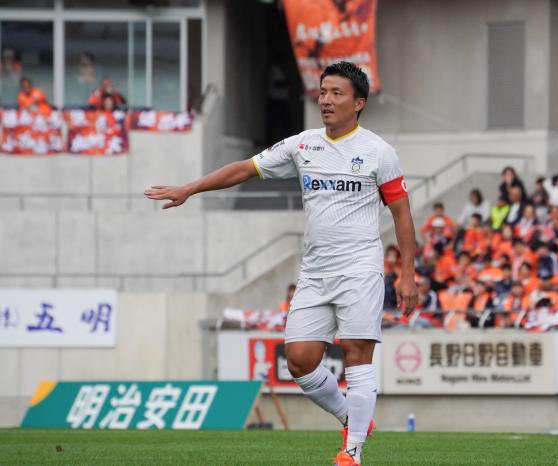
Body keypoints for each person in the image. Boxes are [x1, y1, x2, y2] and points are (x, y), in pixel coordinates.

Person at [145, 62, 418, 466]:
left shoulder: (379, 152)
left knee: (357, 352)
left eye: (336, 93)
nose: (326, 100)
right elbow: (246, 168)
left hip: (360, 269)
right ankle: (352, 417)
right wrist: (191, 188)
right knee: (300, 361)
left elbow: (402, 214)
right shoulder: (303, 145)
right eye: (322, 92)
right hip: (315, 272)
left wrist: (407, 274)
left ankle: (352, 451)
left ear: (359, 103)